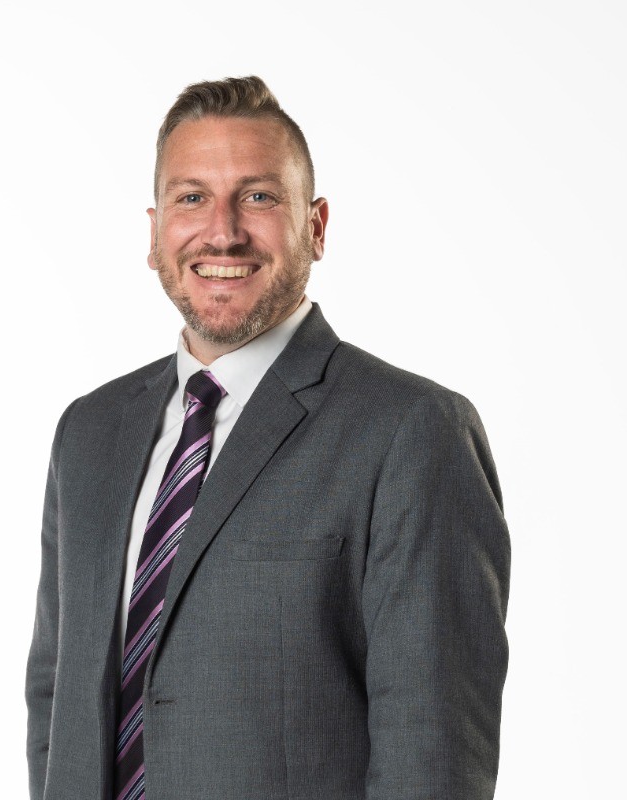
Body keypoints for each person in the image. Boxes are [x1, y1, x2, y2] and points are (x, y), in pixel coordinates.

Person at [26, 75, 510, 800]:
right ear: (155, 234)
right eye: (192, 198)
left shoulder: (412, 432)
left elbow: (432, 752)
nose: (222, 231)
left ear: (316, 226)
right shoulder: (88, 433)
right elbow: (54, 697)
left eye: (258, 197)